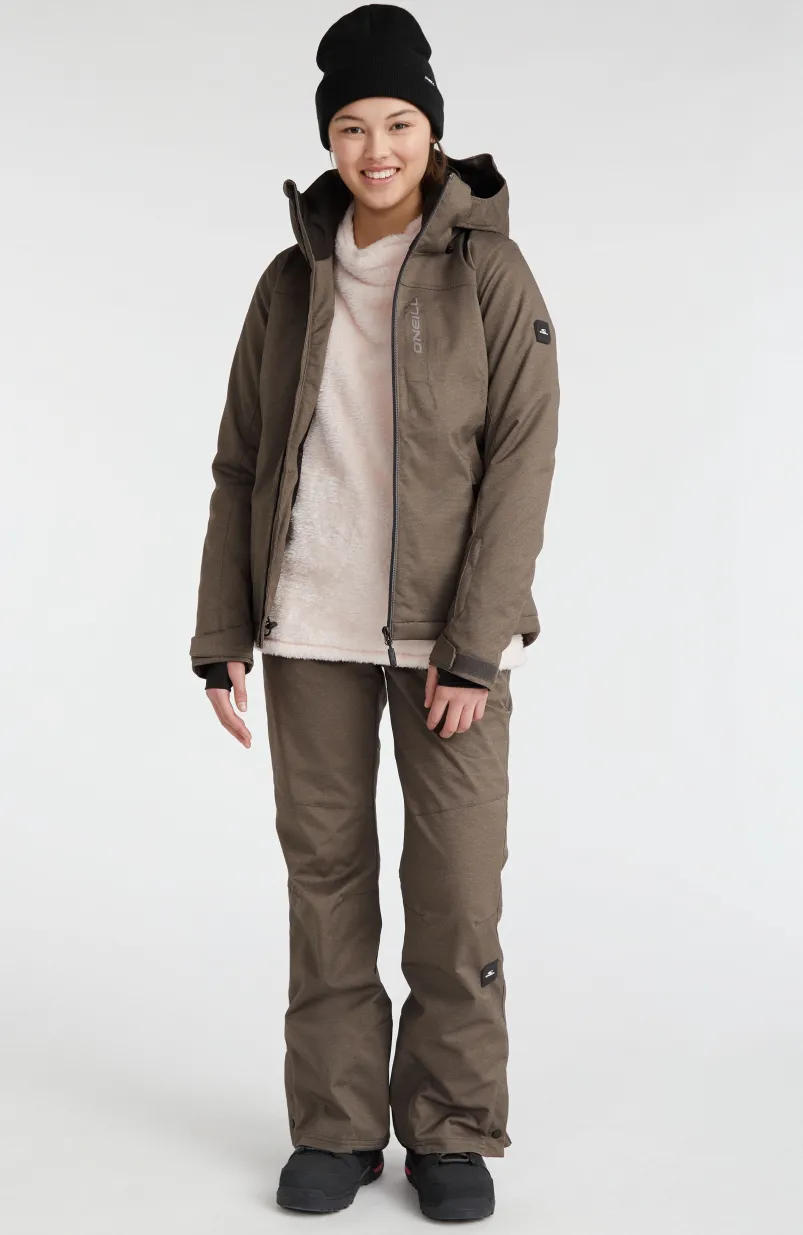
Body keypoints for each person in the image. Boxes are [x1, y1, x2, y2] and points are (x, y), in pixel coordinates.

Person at [189, 3, 559, 1222]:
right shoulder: (288, 282)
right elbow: (241, 462)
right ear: (327, 140)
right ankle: (337, 1125)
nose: (376, 148)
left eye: (397, 122)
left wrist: (474, 643)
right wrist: (222, 634)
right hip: (308, 630)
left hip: (448, 643)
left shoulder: (489, 272)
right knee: (326, 880)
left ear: (432, 131)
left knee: (454, 889)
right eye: (350, 126)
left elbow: (520, 461)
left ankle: (448, 1124)